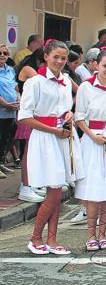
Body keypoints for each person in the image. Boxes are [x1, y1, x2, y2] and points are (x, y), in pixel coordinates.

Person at [18, 40, 85, 255]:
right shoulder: (35, 82)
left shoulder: (66, 80)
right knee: (54, 191)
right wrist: (55, 130)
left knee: (59, 189)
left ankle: (52, 240)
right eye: (55, 57)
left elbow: (70, 105)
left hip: (64, 136)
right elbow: (25, 117)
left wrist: (70, 114)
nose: (59, 61)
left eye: (63, 58)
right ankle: (35, 238)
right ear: (46, 56)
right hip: (46, 139)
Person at [74, 49, 106, 251]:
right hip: (93, 139)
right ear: (97, 65)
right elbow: (79, 117)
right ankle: (90, 235)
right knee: (93, 187)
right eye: (105, 66)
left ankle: (103, 233)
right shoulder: (85, 88)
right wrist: (91, 135)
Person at [14, 49, 47, 203]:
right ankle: (25, 186)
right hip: (28, 115)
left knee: (33, 152)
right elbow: (44, 84)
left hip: (34, 115)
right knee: (27, 153)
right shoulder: (29, 70)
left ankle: (30, 183)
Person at [0, 45, 19, 177]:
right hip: (2, 110)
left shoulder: (10, 70)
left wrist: (19, 100)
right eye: (0, 53)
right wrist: (5, 103)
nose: (2, 55)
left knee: (7, 139)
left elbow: (16, 87)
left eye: (5, 53)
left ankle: (1, 162)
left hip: (11, 111)